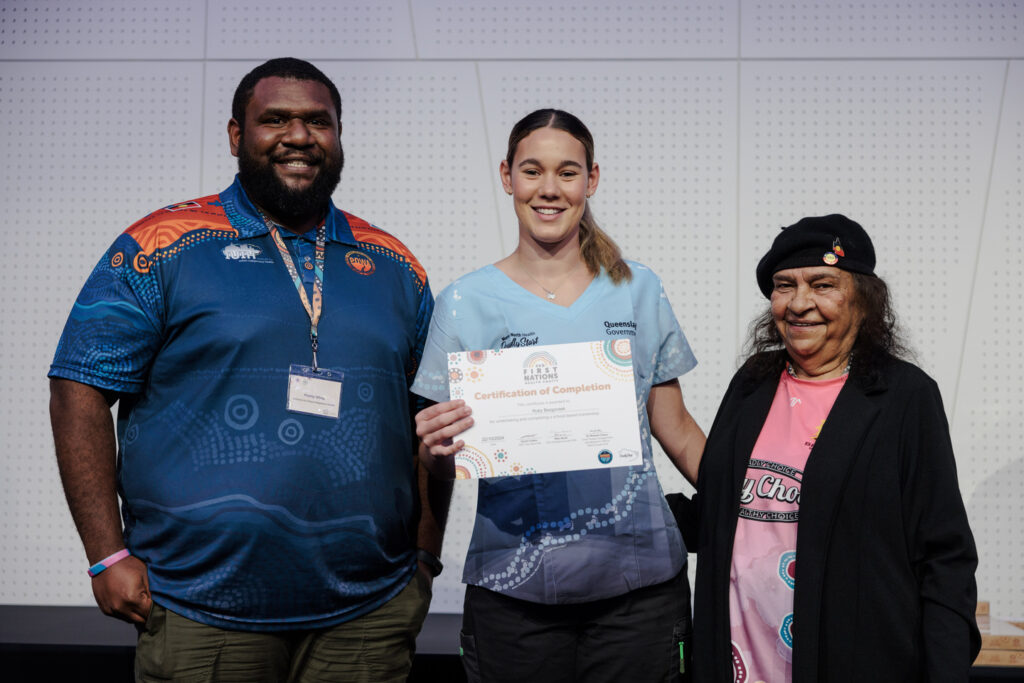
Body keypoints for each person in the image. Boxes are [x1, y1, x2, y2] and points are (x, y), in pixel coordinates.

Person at [48, 57, 446, 682]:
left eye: (318, 122)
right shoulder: (162, 243)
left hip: (367, 612)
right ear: (237, 135)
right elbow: (79, 387)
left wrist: (425, 555)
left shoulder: (394, 263)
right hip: (200, 607)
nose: (299, 136)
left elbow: (432, 419)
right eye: (275, 120)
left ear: (339, 137)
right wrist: (105, 554)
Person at [412, 109, 706, 683]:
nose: (549, 189)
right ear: (507, 177)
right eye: (532, 171)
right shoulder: (462, 303)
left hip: (640, 591)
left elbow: (678, 429)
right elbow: (436, 458)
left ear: (591, 180)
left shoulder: (637, 288)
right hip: (512, 589)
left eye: (567, 172)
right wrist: (431, 452)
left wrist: (765, 510)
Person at [692, 215, 980, 682]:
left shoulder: (904, 396)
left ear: (863, 298)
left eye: (822, 284)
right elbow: (720, 509)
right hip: (740, 660)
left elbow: (944, 555)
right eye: (785, 286)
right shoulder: (752, 383)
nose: (800, 303)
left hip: (854, 662)